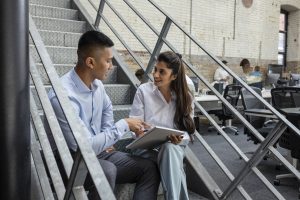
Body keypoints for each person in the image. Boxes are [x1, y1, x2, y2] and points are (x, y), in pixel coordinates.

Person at [48, 30, 160, 199]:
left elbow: (107, 109)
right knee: (107, 171)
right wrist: (123, 125)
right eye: (108, 61)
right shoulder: (63, 96)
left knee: (150, 168)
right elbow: (83, 149)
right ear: (90, 62)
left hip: (97, 151)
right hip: (69, 160)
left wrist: (106, 137)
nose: (111, 66)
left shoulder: (98, 85)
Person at [130, 51, 196, 200]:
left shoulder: (186, 97)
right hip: (146, 149)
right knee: (172, 157)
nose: (156, 75)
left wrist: (180, 139)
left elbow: (187, 132)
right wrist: (139, 131)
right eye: (155, 70)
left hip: (174, 148)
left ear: (174, 76)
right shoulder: (143, 91)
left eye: (162, 72)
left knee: (169, 148)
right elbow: (134, 125)